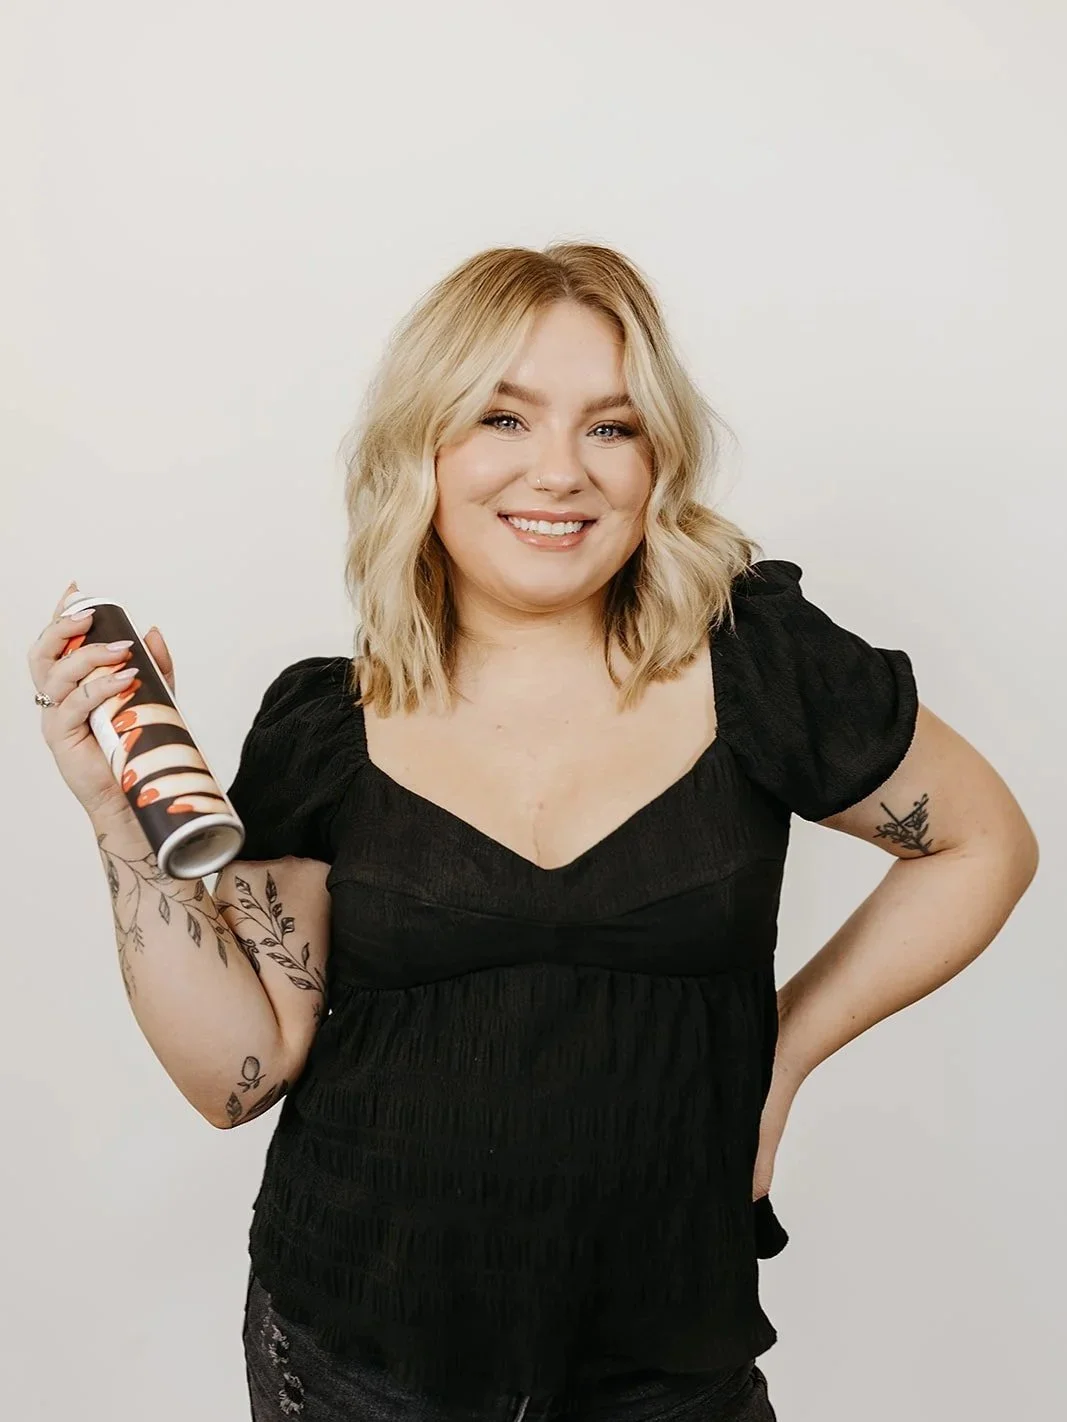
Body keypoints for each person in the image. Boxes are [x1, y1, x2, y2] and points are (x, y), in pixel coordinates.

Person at [30, 243, 1039, 1422]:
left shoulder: (757, 667)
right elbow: (239, 1077)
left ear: (656, 459)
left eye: (610, 427)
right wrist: (120, 827)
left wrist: (781, 1055)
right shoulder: (326, 726)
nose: (559, 471)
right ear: (423, 447)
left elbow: (980, 842)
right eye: (502, 418)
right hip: (358, 1361)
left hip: (665, 1363)